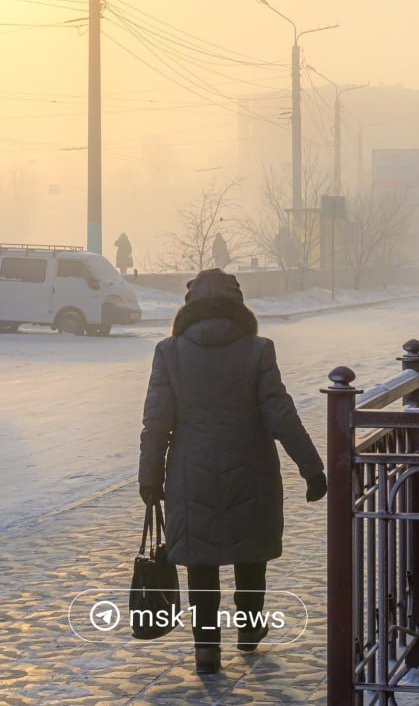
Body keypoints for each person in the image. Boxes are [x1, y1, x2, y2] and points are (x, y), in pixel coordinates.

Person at [138, 268, 326, 675]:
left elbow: (157, 422)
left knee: (200, 565)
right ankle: (250, 628)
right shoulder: (258, 350)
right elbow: (280, 413)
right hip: (251, 469)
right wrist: (311, 468)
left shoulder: (169, 352)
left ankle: (206, 650)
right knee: (250, 555)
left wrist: (149, 478)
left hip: (190, 473)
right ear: (238, 305)